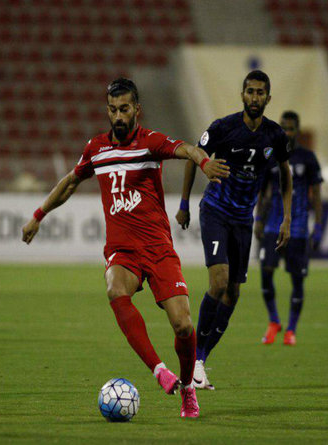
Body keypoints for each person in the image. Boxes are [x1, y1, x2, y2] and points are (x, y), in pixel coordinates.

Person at [21, 78, 230, 418]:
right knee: (115, 288)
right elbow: (71, 182)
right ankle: (159, 370)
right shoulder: (96, 149)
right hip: (123, 249)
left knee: (183, 326)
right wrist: (37, 215)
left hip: (158, 247)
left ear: (137, 110)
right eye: (113, 110)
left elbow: (188, 150)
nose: (118, 116)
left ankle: (189, 388)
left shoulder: (151, 143)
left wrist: (204, 163)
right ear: (108, 110)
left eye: (125, 109)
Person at [175, 70, 292, 390]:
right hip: (215, 212)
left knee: (234, 293)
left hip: (242, 220)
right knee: (220, 281)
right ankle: (195, 359)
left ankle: (202, 360)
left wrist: (286, 219)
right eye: (250, 92)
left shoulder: (275, 136)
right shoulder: (222, 129)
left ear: (268, 99)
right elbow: (190, 157)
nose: (255, 98)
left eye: (260, 93)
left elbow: (285, 174)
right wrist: (184, 203)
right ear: (242, 95)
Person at [254, 111, 323, 346]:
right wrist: (258, 221)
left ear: (298, 130)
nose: (286, 132)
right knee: (266, 272)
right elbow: (263, 193)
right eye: (282, 127)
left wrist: (319, 225)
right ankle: (274, 321)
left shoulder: (308, 158)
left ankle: (291, 329)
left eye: (290, 128)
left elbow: (317, 196)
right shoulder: (270, 155)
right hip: (273, 225)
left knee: (297, 280)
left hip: (299, 229)